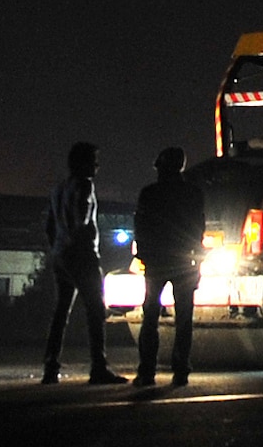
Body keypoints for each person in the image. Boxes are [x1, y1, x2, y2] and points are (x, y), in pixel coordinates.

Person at [43, 141, 128, 385]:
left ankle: (51, 367)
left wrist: (57, 248)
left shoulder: (58, 189)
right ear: (82, 163)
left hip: (61, 254)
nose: (97, 165)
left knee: (61, 312)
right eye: (93, 160)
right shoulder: (85, 185)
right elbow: (80, 220)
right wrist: (82, 247)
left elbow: (49, 224)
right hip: (81, 254)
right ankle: (98, 367)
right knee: (95, 310)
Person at [133, 147, 206, 388]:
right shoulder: (193, 193)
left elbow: (141, 226)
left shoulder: (149, 193)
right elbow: (198, 228)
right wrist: (196, 257)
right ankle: (181, 369)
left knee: (150, 316)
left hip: (156, 262)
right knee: (184, 318)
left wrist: (144, 256)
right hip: (184, 261)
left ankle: (147, 371)